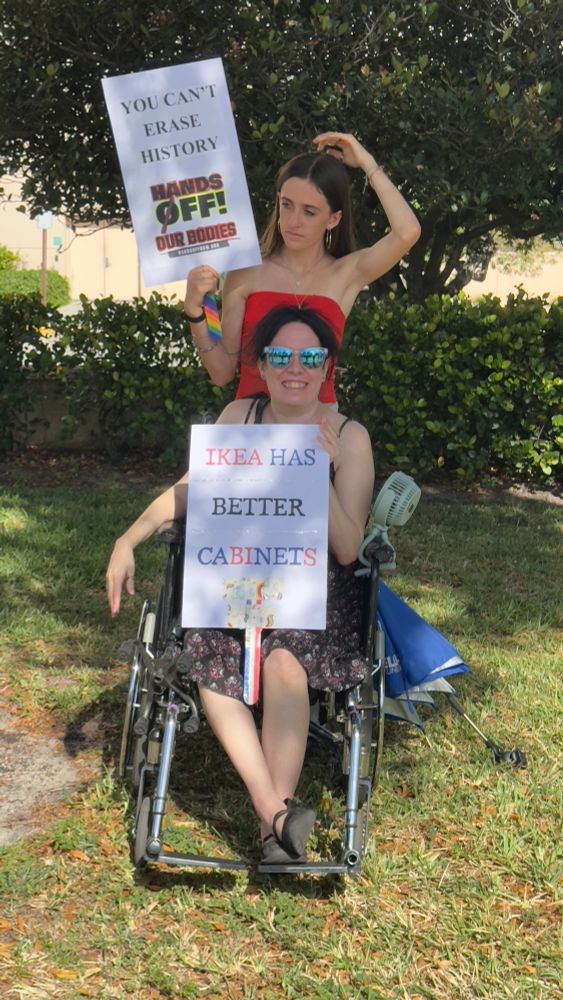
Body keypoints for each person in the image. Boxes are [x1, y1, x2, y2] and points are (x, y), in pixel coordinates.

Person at [106, 305, 375, 865]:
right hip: (235, 576)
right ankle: (275, 815)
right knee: (211, 657)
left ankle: (269, 828)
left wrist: (314, 475)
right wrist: (127, 539)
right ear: (263, 364)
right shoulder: (240, 415)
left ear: (327, 366)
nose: (293, 367)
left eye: (309, 356)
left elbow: (348, 548)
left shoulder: (348, 438)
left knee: (284, 663)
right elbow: (188, 491)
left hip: (313, 588)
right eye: (280, 355)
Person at [182, 131, 421, 404]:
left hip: (316, 436)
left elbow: (408, 231)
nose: (294, 221)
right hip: (253, 434)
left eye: (309, 212)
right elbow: (222, 372)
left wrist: (366, 162)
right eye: (287, 206)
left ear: (333, 219)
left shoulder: (346, 273)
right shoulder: (246, 271)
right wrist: (195, 312)